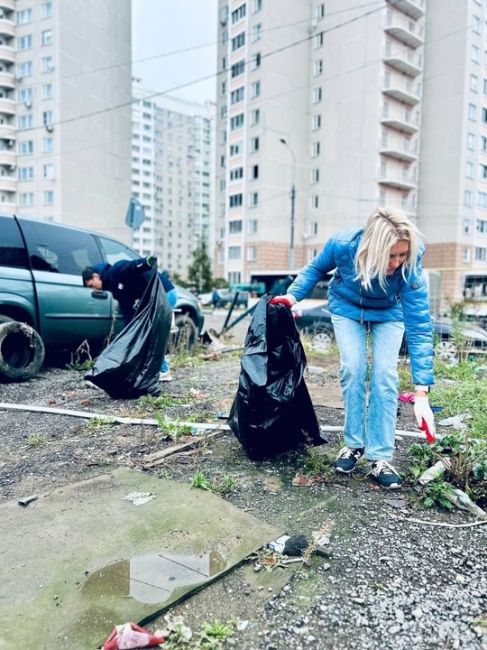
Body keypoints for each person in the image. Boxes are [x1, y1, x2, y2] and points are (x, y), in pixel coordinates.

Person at [270, 208, 436, 490]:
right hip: (347, 308)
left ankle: (380, 458)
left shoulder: (411, 259)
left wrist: (421, 392)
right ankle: (353, 445)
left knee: (385, 376)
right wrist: (293, 295)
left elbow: (419, 324)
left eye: (401, 255)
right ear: (371, 248)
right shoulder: (344, 245)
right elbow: (316, 268)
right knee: (353, 368)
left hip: (389, 313)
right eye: (390, 256)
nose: (396, 262)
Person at [82, 257, 177, 381]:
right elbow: (127, 310)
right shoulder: (115, 290)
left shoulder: (115, 271)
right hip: (153, 298)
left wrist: (145, 263)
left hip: (165, 292)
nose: (93, 289)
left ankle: (164, 370)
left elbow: (130, 266)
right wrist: (131, 330)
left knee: (152, 334)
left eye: (91, 285)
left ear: (95, 276)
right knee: (144, 334)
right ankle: (157, 368)